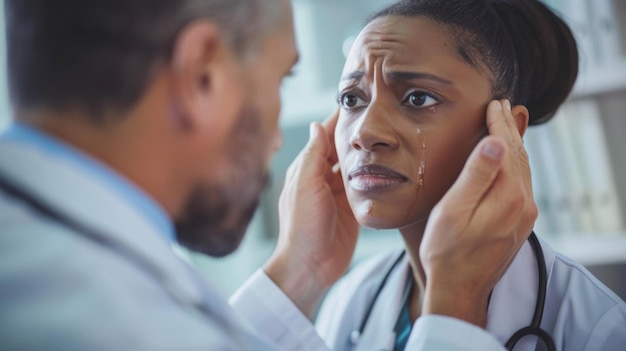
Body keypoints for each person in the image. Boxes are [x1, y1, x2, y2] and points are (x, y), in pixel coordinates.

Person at [0, 0, 538, 350]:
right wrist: (455, 310)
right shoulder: (100, 323)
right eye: (280, 78)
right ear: (204, 74)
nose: (280, 138)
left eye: (418, 98)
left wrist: (297, 274)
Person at [315, 0, 626, 350]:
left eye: (418, 98)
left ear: (506, 130)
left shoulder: (602, 331)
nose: (363, 133)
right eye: (351, 100)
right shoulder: (349, 301)